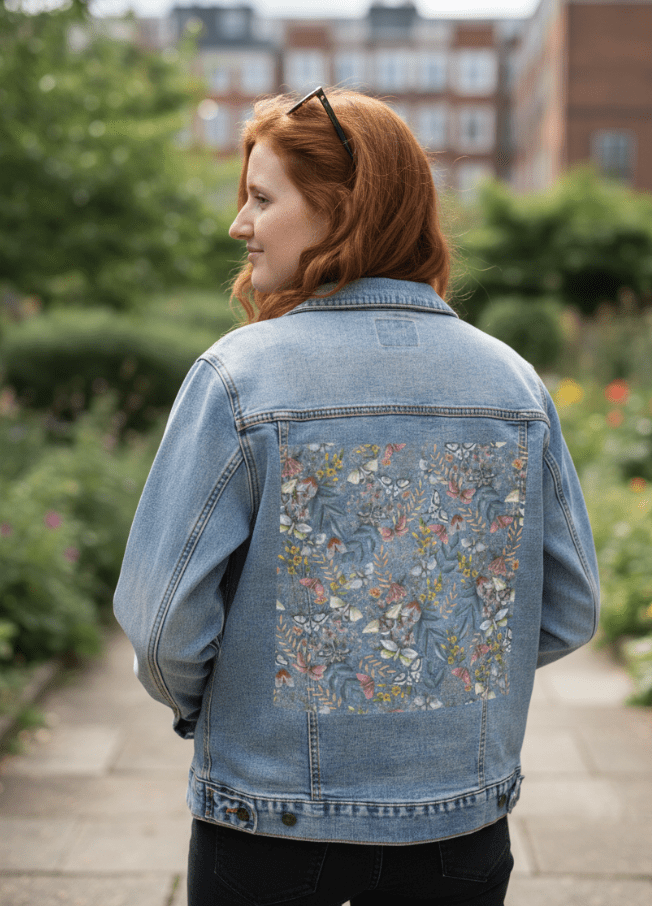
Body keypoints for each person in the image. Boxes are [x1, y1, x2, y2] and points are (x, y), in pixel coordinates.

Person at [114, 87, 599, 906]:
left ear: (341, 209)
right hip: (461, 832)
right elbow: (568, 608)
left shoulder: (239, 378)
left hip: (270, 831)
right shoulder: (514, 385)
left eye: (262, 198)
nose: (239, 224)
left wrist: (231, 713)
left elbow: (166, 631)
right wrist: (437, 688)